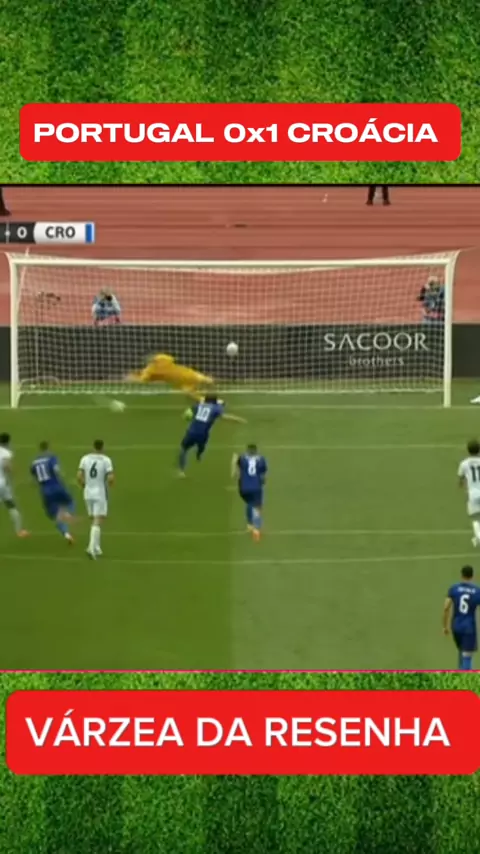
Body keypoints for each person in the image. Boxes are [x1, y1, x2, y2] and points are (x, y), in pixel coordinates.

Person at [179, 395, 246, 475]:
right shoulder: (216, 408)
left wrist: (185, 416)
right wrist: (238, 419)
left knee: (183, 449)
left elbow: (187, 415)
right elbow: (225, 416)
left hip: (191, 432)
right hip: (203, 434)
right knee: (201, 446)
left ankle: (181, 471)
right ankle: (198, 455)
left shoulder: (197, 406)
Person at [77, 439, 114, 559]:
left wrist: (84, 485)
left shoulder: (85, 458)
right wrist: (110, 485)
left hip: (88, 492)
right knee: (98, 519)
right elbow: (110, 478)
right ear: (102, 447)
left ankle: (97, 547)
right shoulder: (106, 460)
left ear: (93, 447)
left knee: (94, 519)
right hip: (100, 492)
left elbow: (79, 476)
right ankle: (91, 548)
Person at [30, 441, 74, 543]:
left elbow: (34, 480)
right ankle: (66, 514)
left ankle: (66, 534)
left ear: (40, 449)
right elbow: (56, 470)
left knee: (53, 515)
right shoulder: (52, 458)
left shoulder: (34, 463)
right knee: (70, 502)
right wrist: (62, 477)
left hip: (45, 491)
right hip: (57, 487)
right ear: (48, 448)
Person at [443, 566, 480, 670]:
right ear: (472, 576)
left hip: (456, 626)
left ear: (461, 575)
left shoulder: (454, 589)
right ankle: (465, 677)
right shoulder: (477, 591)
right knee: (467, 656)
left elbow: (446, 608)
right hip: (469, 628)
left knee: (461, 651)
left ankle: (460, 672)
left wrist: (445, 626)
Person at [128, 353, 214, 396]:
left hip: (187, 373)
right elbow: (143, 379)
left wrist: (135, 377)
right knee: (189, 392)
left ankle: (211, 395)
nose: (151, 360)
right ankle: (206, 402)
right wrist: (134, 378)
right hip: (181, 381)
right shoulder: (149, 370)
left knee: (208, 381)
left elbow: (171, 359)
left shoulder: (161, 359)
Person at [231, 443, 267, 541]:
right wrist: (263, 482)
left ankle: (250, 524)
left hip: (243, 487)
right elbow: (263, 474)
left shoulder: (242, 458)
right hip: (256, 487)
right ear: (256, 451)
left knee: (250, 503)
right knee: (256, 506)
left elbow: (235, 462)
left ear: (247, 451)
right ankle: (256, 528)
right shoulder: (261, 460)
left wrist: (234, 472)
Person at [0, 433, 28, 537]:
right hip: (2, 483)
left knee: (11, 504)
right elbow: (7, 467)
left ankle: (19, 530)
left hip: (2, 484)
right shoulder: (6, 453)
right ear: (8, 442)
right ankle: (19, 531)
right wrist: (12, 473)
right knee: (11, 505)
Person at [457, 440, 480, 546]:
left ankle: (478, 537)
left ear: (468, 450)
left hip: (473, 493)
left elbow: (461, 479)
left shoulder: (464, 463)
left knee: (475, 518)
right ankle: (476, 538)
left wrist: (462, 488)